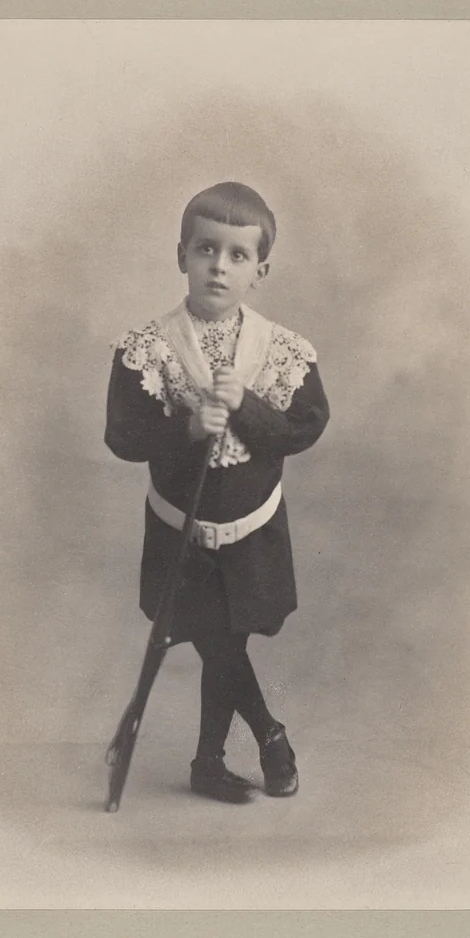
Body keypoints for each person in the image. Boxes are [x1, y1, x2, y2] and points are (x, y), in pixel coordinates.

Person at [105, 181, 329, 803]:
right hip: (181, 528)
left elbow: (306, 427)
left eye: (237, 256)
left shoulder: (281, 350)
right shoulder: (147, 349)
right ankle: (264, 737)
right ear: (181, 255)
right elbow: (122, 436)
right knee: (217, 639)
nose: (219, 267)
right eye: (206, 250)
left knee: (222, 641)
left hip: (252, 529)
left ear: (260, 270)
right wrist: (185, 427)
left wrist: (249, 409)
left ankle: (212, 760)